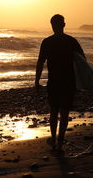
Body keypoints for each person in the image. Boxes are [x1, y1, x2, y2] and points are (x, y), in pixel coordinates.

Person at [35, 14, 85, 152]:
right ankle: (60, 143)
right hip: (69, 81)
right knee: (64, 113)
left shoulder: (47, 42)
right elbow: (82, 62)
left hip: (54, 82)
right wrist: (85, 82)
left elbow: (40, 63)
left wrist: (36, 82)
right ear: (64, 25)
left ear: (52, 25)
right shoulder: (71, 41)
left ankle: (54, 139)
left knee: (53, 112)